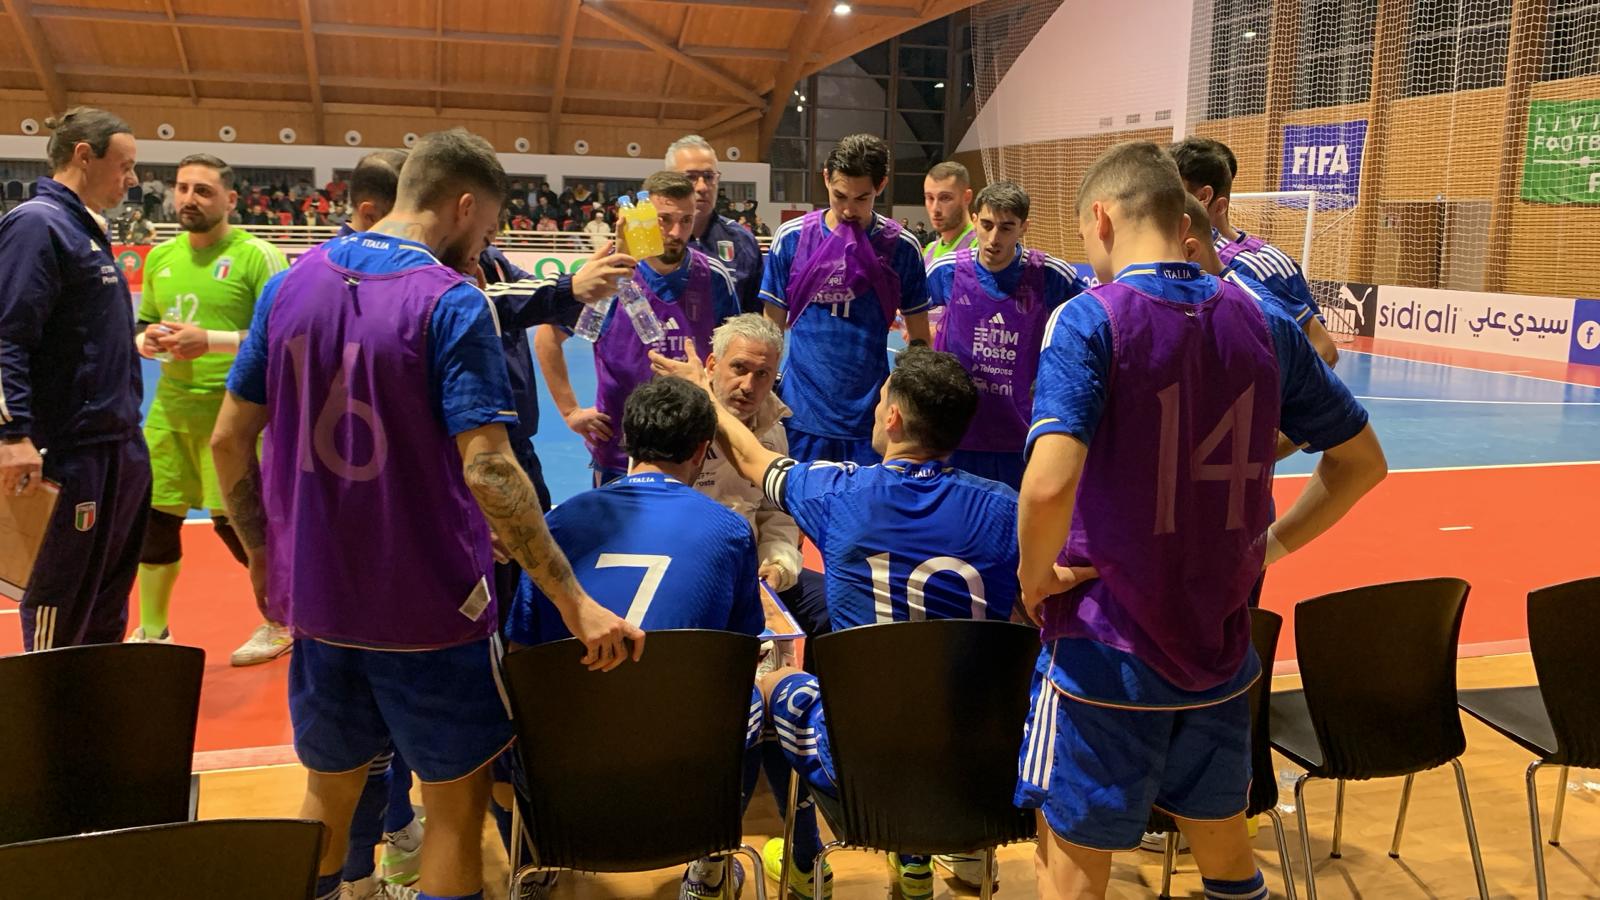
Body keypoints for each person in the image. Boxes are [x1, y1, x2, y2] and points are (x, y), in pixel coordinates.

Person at [210, 128, 644, 900]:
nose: (484, 247)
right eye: (488, 228)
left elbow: (227, 442)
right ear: (464, 206)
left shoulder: (289, 285)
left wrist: (265, 555)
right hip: (430, 609)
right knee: (454, 806)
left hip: (319, 600)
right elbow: (489, 468)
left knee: (328, 794)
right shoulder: (450, 300)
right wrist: (573, 600)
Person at [1015, 141, 1387, 900]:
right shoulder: (1267, 321)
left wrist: (1033, 576)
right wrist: (1267, 548)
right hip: (1219, 642)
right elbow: (1362, 463)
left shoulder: (1087, 318)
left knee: (1073, 865)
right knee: (1224, 851)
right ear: (1183, 221)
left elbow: (1048, 486)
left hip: (1105, 646)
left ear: (1101, 218)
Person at [656, 343, 1021, 900]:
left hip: (861, 775)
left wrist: (704, 394)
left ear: (892, 417)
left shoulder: (840, 493)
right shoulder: (1005, 509)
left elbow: (752, 458)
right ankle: (922, 859)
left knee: (773, 683)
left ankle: (800, 863)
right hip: (980, 775)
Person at [502, 375, 763, 900]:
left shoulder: (556, 525)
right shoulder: (730, 531)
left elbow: (519, 657)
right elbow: (739, 658)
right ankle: (710, 865)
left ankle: (536, 857)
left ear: (627, 441)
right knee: (755, 696)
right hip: (684, 775)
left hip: (564, 777)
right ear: (701, 450)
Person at [128, 154, 291, 661]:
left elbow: (285, 334)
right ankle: (153, 630)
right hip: (170, 412)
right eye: (182, 188)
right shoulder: (160, 257)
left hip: (237, 415)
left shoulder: (258, 256)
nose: (188, 199)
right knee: (156, 520)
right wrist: (147, 341)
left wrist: (211, 341)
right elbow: (144, 323)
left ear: (230, 200)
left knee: (239, 525)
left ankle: (283, 621)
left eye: (203, 190)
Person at [0, 107, 145, 652]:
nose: (132, 180)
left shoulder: (86, 228)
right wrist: (12, 435)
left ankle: (93, 698)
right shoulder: (36, 225)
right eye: (124, 166)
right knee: (59, 598)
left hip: (118, 445)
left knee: (108, 598)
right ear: (84, 155)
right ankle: (48, 700)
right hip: (69, 451)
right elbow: (7, 334)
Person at [535, 170, 739, 486]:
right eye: (664, 220)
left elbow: (734, 355)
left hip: (695, 455)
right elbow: (547, 338)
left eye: (686, 220)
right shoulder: (608, 274)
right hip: (620, 454)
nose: (676, 232)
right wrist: (570, 412)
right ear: (640, 218)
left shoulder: (714, 277)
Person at [761, 134, 929, 465]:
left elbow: (920, 339)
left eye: (862, 198)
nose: (849, 209)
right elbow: (770, 330)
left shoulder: (902, 248)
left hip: (871, 421)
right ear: (826, 178)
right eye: (839, 196)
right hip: (800, 414)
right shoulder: (792, 238)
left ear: (881, 185)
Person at [927, 181, 1089, 490]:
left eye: (1006, 228)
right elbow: (910, 311)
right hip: (958, 433)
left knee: (1016, 519)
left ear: (1024, 227)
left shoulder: (1050, 274)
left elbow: (1093, 320)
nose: (993, 238)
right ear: (974, 220)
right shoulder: (946, 271)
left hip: (1020, 436)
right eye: (987, 225)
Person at [1169, 136, 1339, 366]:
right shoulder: (1172, 259)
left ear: (1204, 198)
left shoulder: (1253, 267)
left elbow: (1323, 350)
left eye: (1172, 191)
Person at [667, 135, 765, 316]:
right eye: (690, 177)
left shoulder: (742, 241)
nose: (702, 187)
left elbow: (756, 316)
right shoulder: (649, 241)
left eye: (708, 177)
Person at [921, 160, 979, 265]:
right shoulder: (929, 250)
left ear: (967, 197)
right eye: (930, 198)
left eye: (945, 198)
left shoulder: (981, 248)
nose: (935, 209)